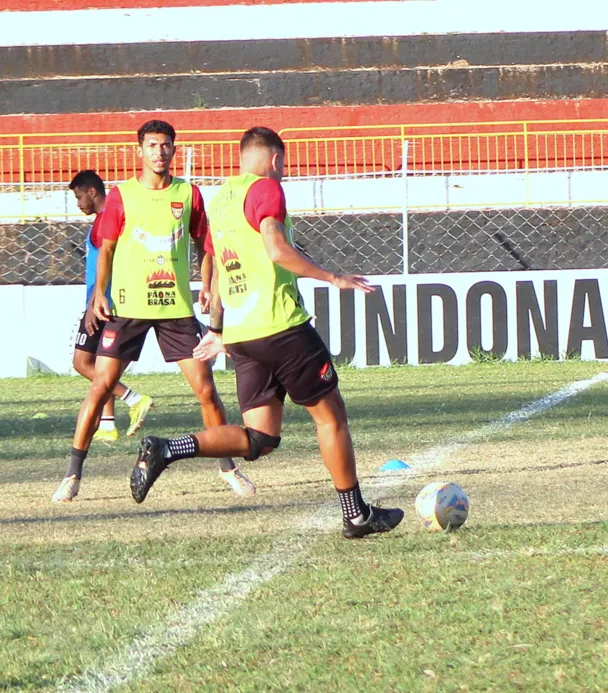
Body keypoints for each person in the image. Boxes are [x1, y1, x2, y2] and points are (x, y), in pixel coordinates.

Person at [128, 126, 403, 539]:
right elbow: (276, 249)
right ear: (274, 159)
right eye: (284, 163)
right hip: (281, 328)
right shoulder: (265, 189)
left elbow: (219, 266)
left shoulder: (221, 200)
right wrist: (333, 278)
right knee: (332, 419)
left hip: (243, 335)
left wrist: (219, 328)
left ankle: (168, 448)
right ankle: (356, 514)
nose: (283, 171)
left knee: (260, 438)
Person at [52, 120, 255, 503]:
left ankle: (228, 468)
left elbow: (205, 244)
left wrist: (208, 284)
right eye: (152, 145)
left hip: (175, 310)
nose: (159, 152)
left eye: (165, 146)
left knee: (207, 390)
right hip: (126, 309)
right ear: (140, 151)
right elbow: (107, 249)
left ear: (174, 150)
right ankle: (72, 474)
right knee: (100, 386)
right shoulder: (121, 195)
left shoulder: (188, 193)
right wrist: (99, 294)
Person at [65, 171, 154, 446]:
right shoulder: (104, 221)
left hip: (102, 302)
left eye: (79, 197)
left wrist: (94, 302)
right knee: (103, 367)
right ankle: (107, 425)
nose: (79, 204)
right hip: (104, 300)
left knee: (82, 363)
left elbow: (108, 266)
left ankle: (134, 398)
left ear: (92, 192)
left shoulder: (106, 221)